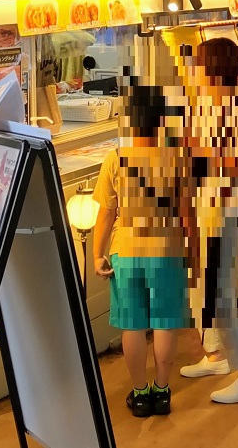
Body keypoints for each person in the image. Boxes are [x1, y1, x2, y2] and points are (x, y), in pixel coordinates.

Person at [93, 80, 190, 417]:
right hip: (167, 249)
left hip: (126, 251)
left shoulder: (115, 157)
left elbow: (106, 212)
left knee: (132, 326)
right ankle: (162, 391)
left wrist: (97, 254)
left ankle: (139, 393)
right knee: (164, 321)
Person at [176, 37, 238, 404]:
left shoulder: (235, 108)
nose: (194, 70)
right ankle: (217, 356)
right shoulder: (214, 105)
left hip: (223, 211)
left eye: (199, 64)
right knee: (206, 288)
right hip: (211, 207)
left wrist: (199, 151)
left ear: (213, 69)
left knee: (223, 296)